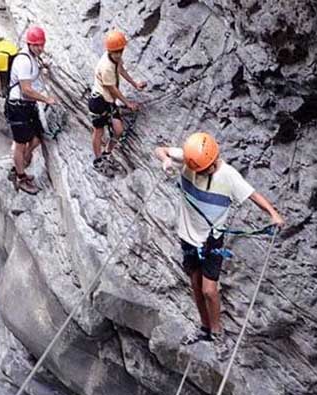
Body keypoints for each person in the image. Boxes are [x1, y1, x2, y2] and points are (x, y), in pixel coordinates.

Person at [155, 132, 285, 344]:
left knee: (210, 291)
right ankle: (204, 328)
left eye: (205, 169)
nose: (201, 172)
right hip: (187, 235)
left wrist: (273, 214)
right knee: (196, 284)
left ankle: (217, 331)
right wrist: (166, 160)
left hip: (211, 239)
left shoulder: (228, 176)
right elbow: (160, 150)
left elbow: (253, 195)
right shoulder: (189, 159)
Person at [6, 26, 56, 195]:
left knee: (35, 140)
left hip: (27, 106)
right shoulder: (23, 61)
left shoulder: (32, 57)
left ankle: (21, 163)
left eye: (42, 45)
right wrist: (45, 99)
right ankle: (20, 177)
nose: (41, 48)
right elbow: (26, 89)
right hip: (17, 107)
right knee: (19, 145)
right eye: (37, 45)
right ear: (30, 44)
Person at [89, 31, 146, 164]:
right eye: (116, 52)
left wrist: (135, 84)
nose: (119, 54)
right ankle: (98, 160)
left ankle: (107, 153)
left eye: (121, 51)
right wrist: (128, 103)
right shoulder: (106, 66)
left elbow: (121, 70)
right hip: (99, 101)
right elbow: (112, 89)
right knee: (99, 131)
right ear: (110, 50)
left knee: (119, 130)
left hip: (109, 102)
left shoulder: (116, 58)